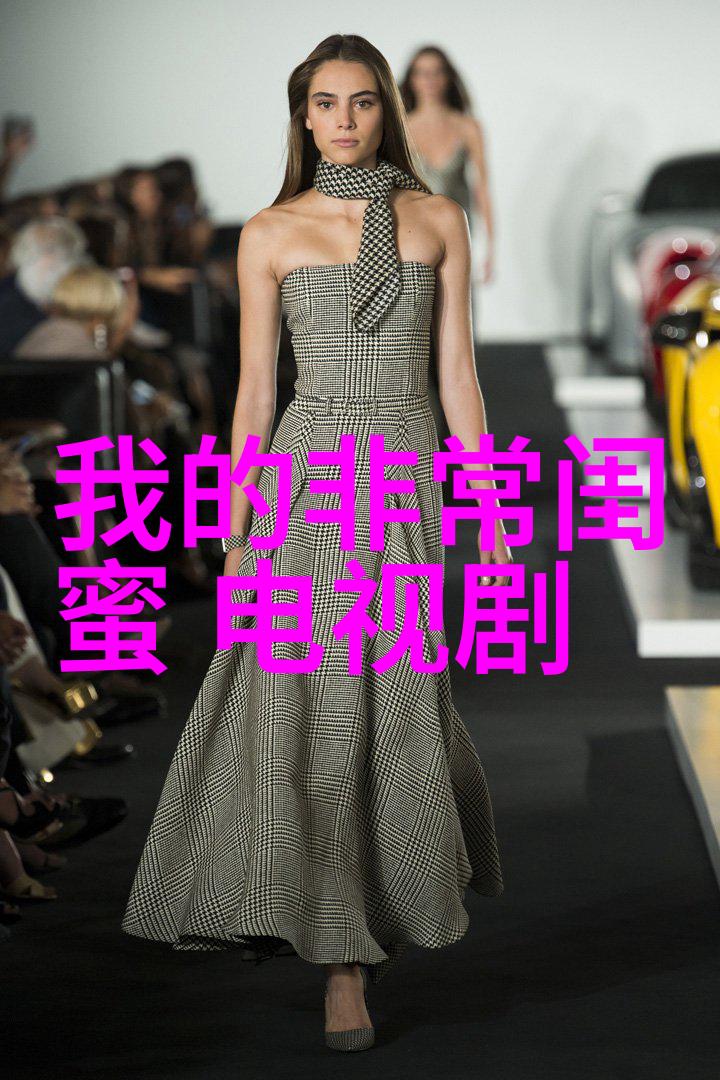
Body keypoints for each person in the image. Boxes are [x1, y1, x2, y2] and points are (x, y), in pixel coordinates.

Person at [122, 32, 509, 1052]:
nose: (344, 120)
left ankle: (383, 910)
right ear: (303, 115)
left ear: (387, 110)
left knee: (398, 701)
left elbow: (458, 377)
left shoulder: (436, 218)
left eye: (362, 101)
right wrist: (234, 523)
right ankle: (341, 961)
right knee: (314, 706)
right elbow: (254, 391)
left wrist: (490, 515)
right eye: (326, 103)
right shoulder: (269, 231)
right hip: (306, 482)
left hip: (408, 481)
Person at [400, 45, 495, 286]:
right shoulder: (401, 129)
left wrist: (491, 246)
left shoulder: (468, 127)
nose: (429, 79)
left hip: (460, 230)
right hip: (415, 232)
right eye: (421, 72)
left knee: (460, 298)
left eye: (437, 71)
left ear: (448, 76)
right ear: (411, 79)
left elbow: (482, 188)